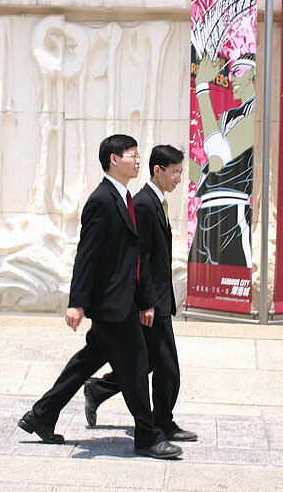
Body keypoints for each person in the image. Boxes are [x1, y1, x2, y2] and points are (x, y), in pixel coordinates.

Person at [18, 135, 183, 459]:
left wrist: (146, 299)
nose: (138, 161)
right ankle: (147, 436)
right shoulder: (102, 200)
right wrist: (76, 302)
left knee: (85, 363)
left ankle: (42, 415)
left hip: (121, 301)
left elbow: (136, 258)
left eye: (138, 156)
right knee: (137, 364)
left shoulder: (123, 198)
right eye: (132, 156)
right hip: (111, 303)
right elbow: (87, 255)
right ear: (113, 160)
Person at [83, 145, 197, 443]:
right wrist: (147, 303)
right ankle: (161, 425)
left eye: (181, 173)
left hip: (157, 299)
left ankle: (100, 391)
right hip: (150, 303)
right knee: (165, 367)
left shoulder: (155, 202)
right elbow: (141, 259)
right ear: (158, 170)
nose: (178, 180)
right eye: (174, 173)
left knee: (145, 364)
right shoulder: (144, 204)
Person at [188, 53, 255, 267]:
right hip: (206, 214)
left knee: (230, 284)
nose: (232, 78)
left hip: (231, 214)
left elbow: (217, 157)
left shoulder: (253, 114)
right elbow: (207, 176)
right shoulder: (228, 116)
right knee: (201, 291)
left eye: (238, 72)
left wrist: (202, 88)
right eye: (231, 72)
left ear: (255, 74)